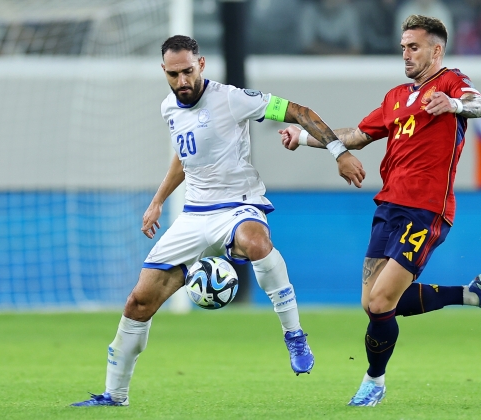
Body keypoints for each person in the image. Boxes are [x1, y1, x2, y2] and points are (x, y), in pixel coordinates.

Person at [71, 35, 366, 407]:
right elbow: (184, 156)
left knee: (257, 243)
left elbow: (300, 111)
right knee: (138, 302)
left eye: (188, 72)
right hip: (193, 216)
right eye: (174, 74)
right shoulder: (169, 108)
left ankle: (294, 334)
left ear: (202, 65)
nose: (182, 81)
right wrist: (158, 200)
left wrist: (338, 152)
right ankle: (114, 394)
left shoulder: (231, 98)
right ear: (164, 71)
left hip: (237, 205)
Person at [279, 15, 481, 407]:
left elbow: (480, 105)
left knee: (379, 304)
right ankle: (472, 294)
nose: (405, 53)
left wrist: (453, 104)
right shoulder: (395, 97)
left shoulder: (451, 81)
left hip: (426, 209)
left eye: (414, 47)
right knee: (374, 302)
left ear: (436, 50)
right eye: (403, 46)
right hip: (388, 206)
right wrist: (303, 137)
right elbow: (356, 135)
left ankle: (374, 382)